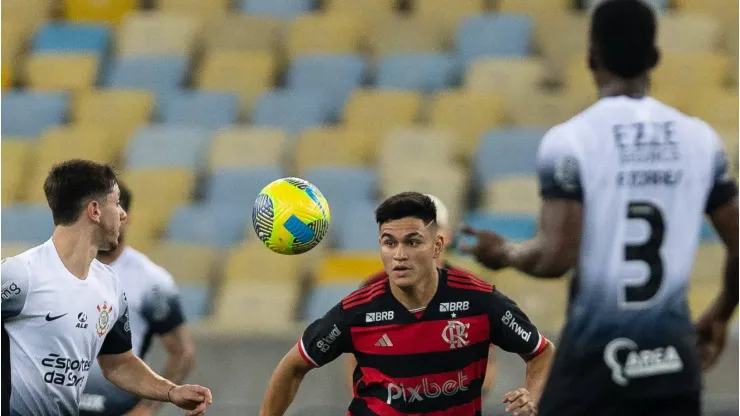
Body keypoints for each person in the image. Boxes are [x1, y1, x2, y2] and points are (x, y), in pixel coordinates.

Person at [460, 1, 738, 415]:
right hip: (671, 360)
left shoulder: (571, 141)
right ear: (655, 59)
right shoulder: (700, 141)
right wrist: (719, 313)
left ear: (591, 58)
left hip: (596, 360)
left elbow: (555, 256)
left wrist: (503, 253)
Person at [260, 192, 554, 416]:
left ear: (437, 245)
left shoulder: (480, 300)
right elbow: (293, 367)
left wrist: (533, 395)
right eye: (389, 243)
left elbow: (541, 352)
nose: (399, 254)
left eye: (413, 242)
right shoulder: (356, 310)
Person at [1, 160, 213, 416]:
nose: (123, 214)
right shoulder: (20, 275)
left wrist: (171, 391)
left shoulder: (109, 286)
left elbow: (118, 363)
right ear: (95, 211)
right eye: (116, 203)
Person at [343, 194, 498, 397]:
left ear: (447, 236)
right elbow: (354, 357)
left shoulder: (472, 289)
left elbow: (489, 361)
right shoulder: (373, 288)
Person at [80, 182, 196, 416]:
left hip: (118, 407)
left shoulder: (151, 281)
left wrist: (147, 408)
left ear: (126, 217)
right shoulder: (63, 268)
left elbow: (182, 351)